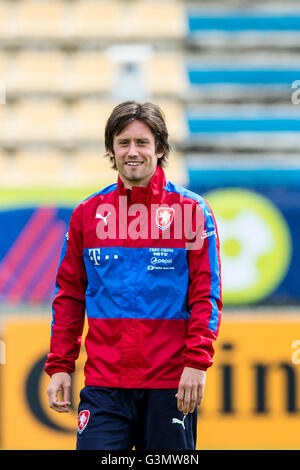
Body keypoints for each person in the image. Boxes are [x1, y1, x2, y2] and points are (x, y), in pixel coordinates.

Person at [45, 101, 222, 451]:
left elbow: (206, 295)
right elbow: (69, 296)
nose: (132, 151)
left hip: (170, 383)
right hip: (104, 386)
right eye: (123, 142)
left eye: (142, 142)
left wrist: (196, 363)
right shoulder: (87, 215)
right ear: (111, 148)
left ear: (160, 147)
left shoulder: (191, 212)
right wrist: (60, 366)